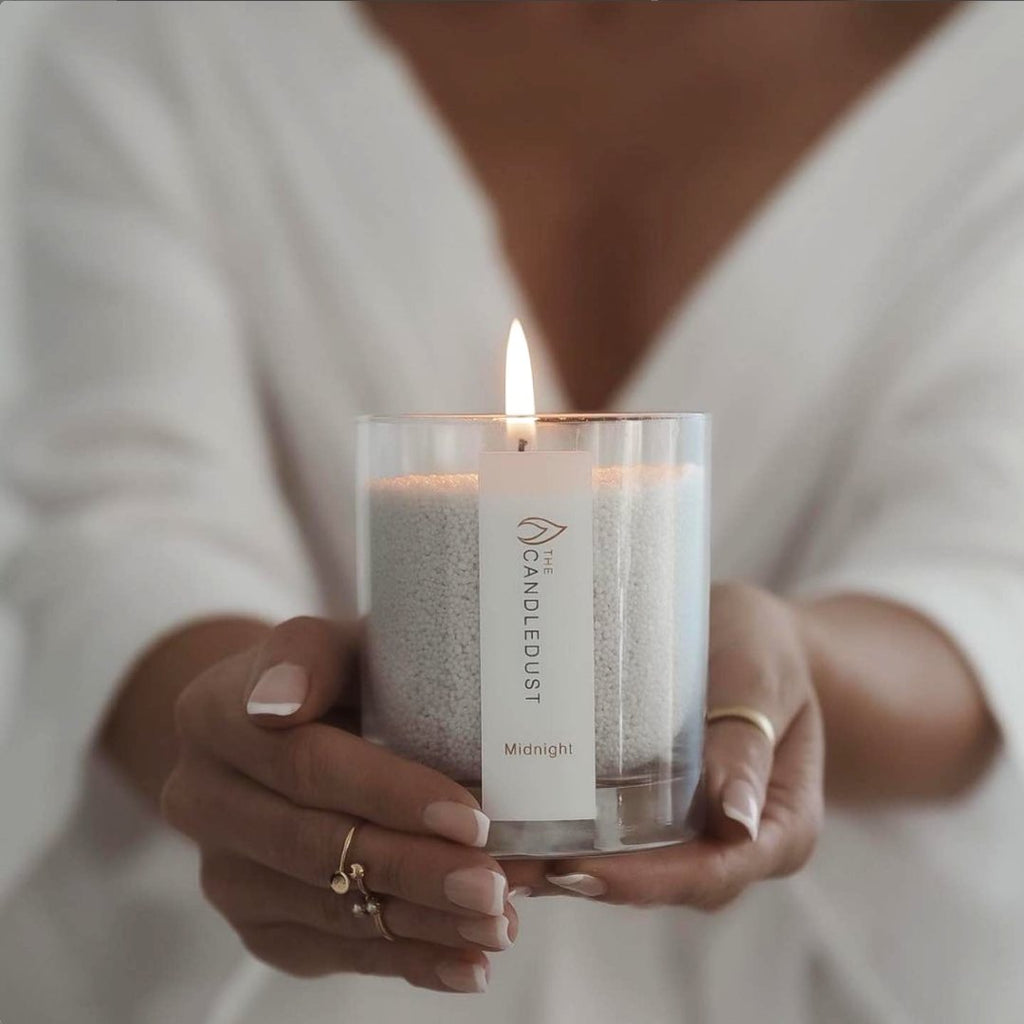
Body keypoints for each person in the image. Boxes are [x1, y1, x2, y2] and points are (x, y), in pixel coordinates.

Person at [2, 2, 1023, 1021]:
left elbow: (989, 578)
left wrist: (791, 674)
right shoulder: (171, 40)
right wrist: (276, 773)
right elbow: (128, 520)